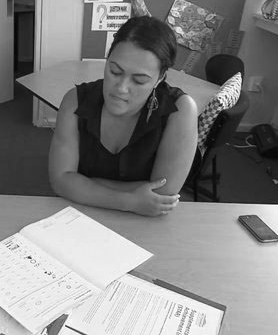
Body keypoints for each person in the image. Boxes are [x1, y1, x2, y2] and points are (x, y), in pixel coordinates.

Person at [48, 16, 198, 217]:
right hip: (78, 215)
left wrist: (82, 183)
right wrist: (130, 200)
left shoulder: (180, 110)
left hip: (143, 225)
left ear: (160, 78)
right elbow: (60, 181)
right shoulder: (75, 101)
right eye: (115, 71)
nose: (121, 88)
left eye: (139, 80)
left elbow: (162, 195)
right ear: (107, 60)